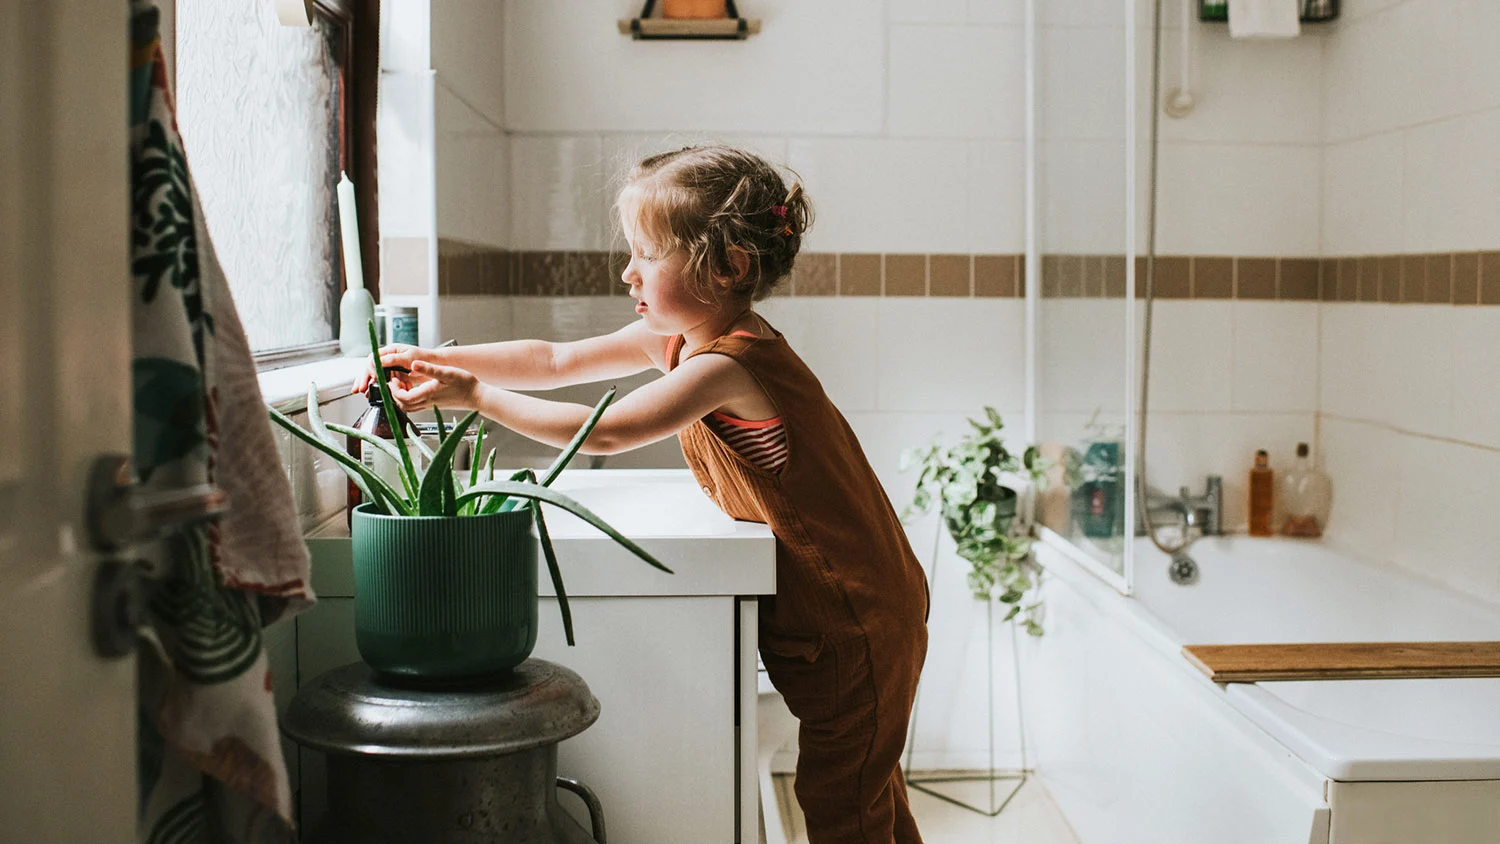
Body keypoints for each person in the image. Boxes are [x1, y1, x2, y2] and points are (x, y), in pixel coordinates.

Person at [355, 145, 930, 843]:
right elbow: (554, 360)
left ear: (729, 267)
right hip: (841, 613)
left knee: (845, 805)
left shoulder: (730, 363)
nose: (627, 272)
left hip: (857, 618)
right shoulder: (681, 338)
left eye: (647, 255)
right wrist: (440, 361)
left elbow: (604, 433)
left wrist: (475, 396)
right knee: (869, 792)